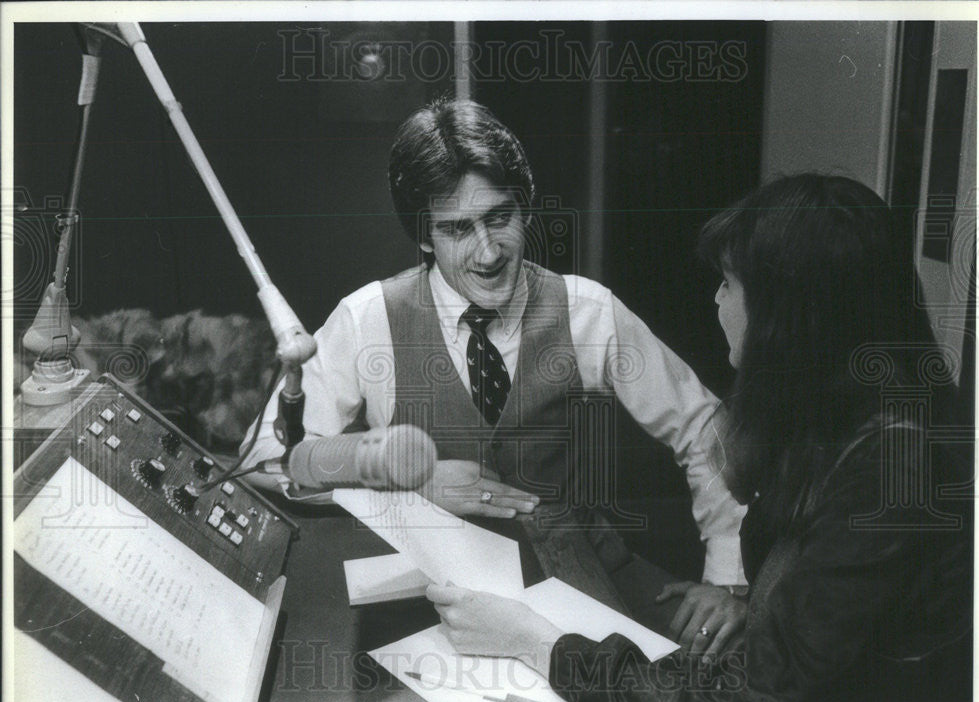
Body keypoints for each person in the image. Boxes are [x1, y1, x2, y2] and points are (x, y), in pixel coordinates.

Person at [428, 174, 973, 702]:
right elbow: (813, 610)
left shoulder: (890, 464)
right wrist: (749, 603)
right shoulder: (851, 420)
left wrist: (537, 644)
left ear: (789, 315)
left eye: (730, 283)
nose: (715, 300)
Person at [242, 98, 748, 620]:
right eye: (458, 229)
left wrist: (727, 579)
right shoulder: (367, 319)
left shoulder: (587, 310)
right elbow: (264, 458)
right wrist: (405, 491)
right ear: (423, 235)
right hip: (430, 594)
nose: (488, 253)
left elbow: (703, 428)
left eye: (499, 218)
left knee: (705, 673)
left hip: (581, 580)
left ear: (523, 206)